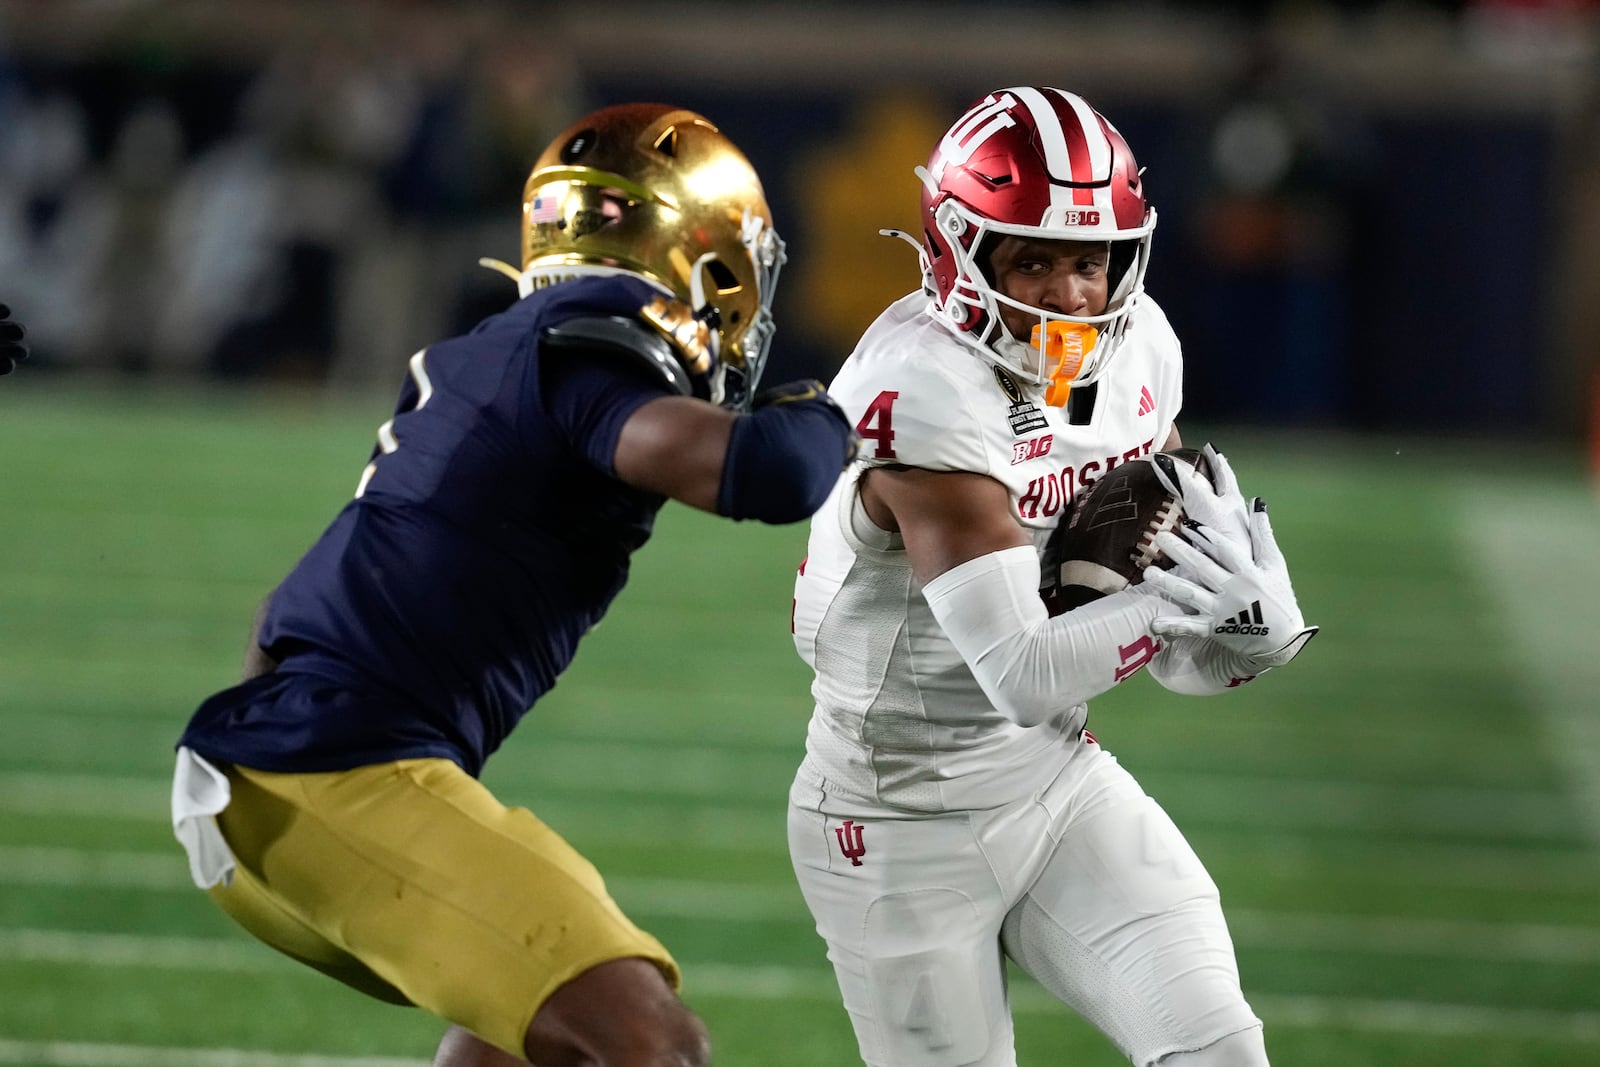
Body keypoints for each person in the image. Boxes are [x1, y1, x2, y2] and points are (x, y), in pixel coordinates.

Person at [170, 102, 857, 1067]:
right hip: (333, 774)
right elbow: (768, 474)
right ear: (702, 264)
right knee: (653, 1046)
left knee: (536, 1036)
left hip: (281, 766)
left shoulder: (504, 346)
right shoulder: (589, 348)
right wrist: (849, 410)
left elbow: (286, 603)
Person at [787, 86, 1317, 1067]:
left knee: (1218, 1049)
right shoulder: (925, 391)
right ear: (960, 249)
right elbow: (1022, 671)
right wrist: (1175, 603)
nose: (1073, 294)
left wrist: (1242, 637)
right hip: (896, 814)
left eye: (1089, 259)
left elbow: (1158, 653)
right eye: (1032, 258)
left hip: (1052, 777)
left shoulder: (1141, 349)